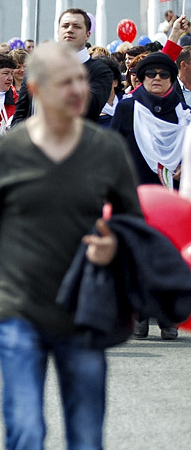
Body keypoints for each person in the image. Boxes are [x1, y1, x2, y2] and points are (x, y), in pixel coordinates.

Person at [0, 43, 143, 450]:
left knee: (86, 436)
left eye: (81, 79)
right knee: (27, 430)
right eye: (65, 82)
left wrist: (113, 245)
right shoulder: (4, 151)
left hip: (83, 311)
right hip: (20, 311)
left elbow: (131, 223)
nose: (78, 89)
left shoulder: (106, 149)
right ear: (36, 87)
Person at [109, 51, 186, 339]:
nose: (157, 79)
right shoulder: (128, 108)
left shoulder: (183, 111)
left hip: (171, 196)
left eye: (163, 75)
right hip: (136, 193)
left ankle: (168, 317)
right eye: (150, 74)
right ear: (140, 79)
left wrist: (184, 165)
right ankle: (140, 312)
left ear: (172, 79)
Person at [14, 8, 114, 122]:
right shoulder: (37, 69)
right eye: (65, 26)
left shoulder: (100, 71)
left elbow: (89, 109)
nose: (70, 30)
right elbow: (20, 115)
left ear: (88, 35)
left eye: (77, 26)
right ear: (58, 32)